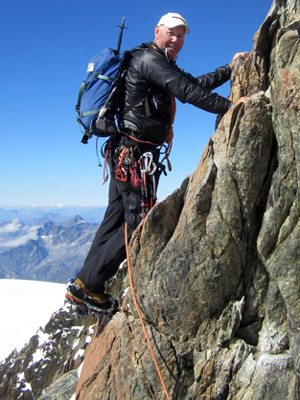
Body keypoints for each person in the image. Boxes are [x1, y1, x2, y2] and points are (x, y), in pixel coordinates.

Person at [66, 12, 248, 311]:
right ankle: (90, 286)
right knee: (134, 222)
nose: (177, 39)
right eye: (172, 32)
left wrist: (228, 69)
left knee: (114, 219)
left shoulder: (155, 62)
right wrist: (229, 106)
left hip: (127, 152)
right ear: (157, 31)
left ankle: (84, 283)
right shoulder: (149, 60)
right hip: (136, 156)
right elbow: (188, 91)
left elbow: (190, 83)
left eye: (182, 35)